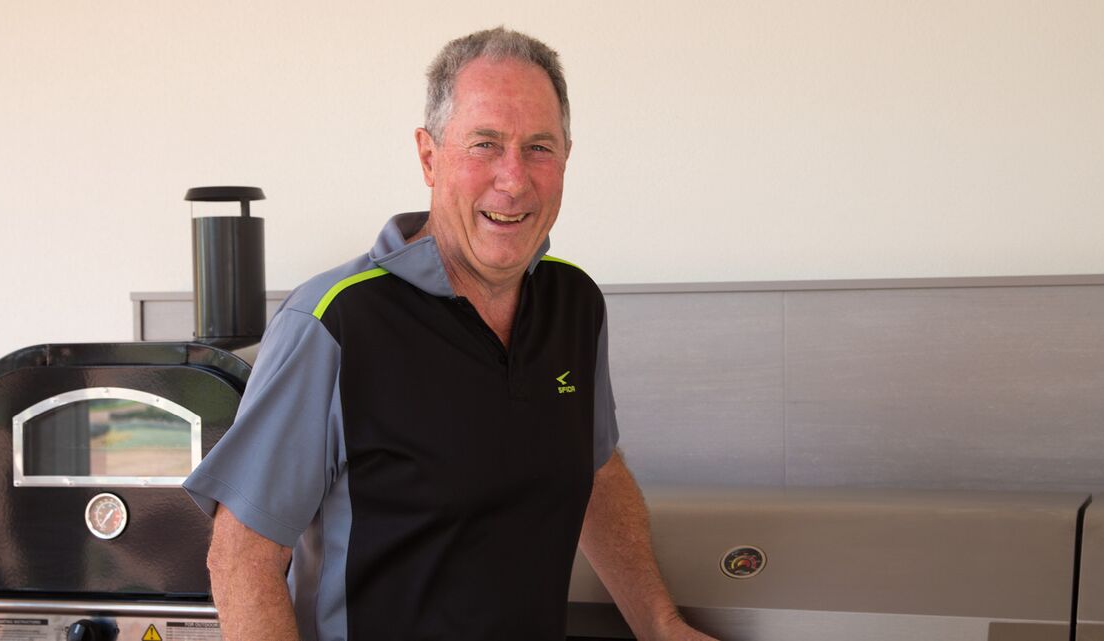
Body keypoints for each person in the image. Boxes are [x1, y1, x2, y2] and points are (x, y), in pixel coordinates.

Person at [184, 27, 717, 641]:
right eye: (485, 144)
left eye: (538, 147)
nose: (513, 180)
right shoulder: (333, 322)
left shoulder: (575, 304)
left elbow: (596, 473)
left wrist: (659, 622)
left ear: (567, 154)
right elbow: (242, 557)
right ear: (430, 156)